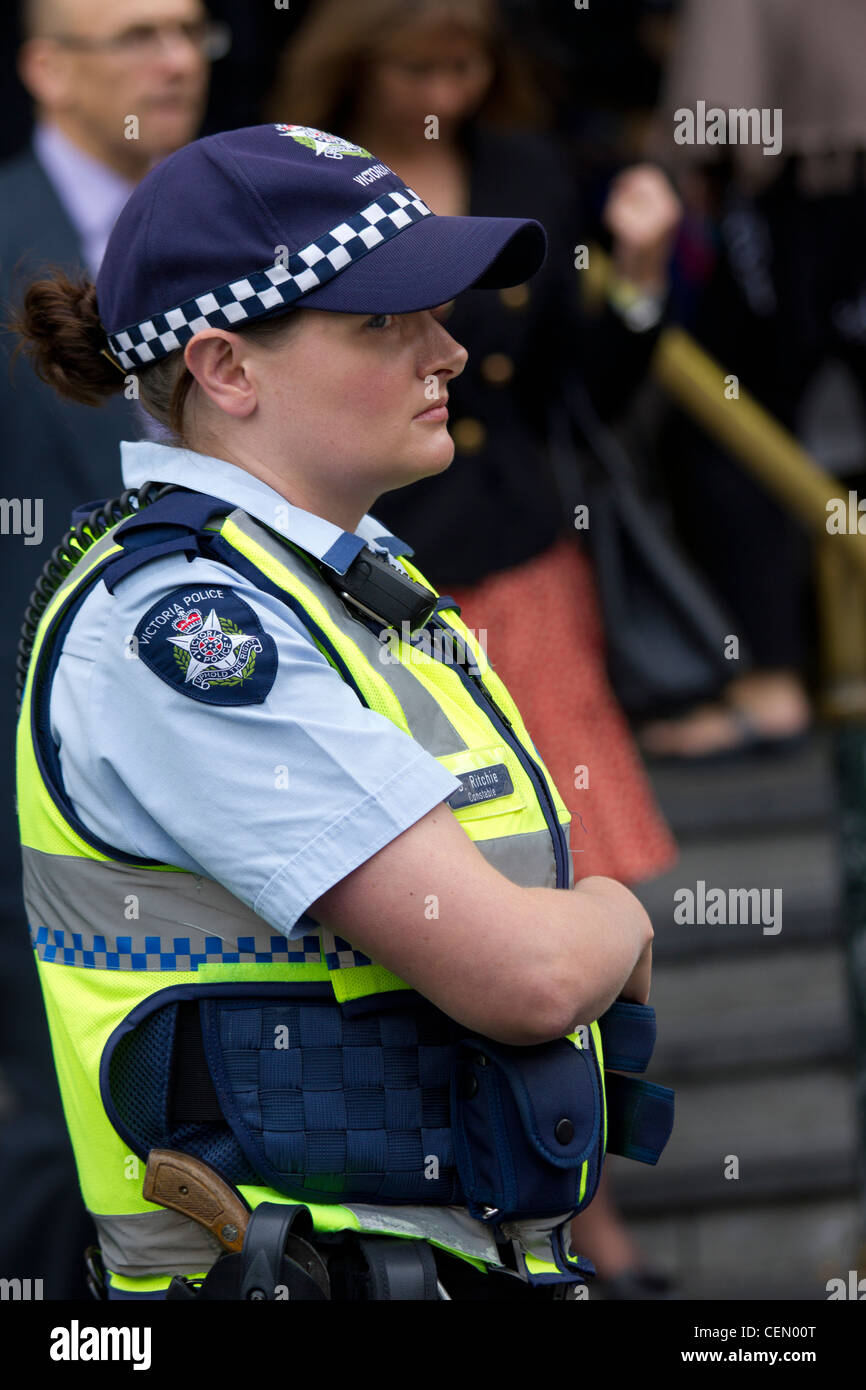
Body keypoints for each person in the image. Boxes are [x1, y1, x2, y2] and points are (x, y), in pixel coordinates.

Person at [11, 122, 670, 1300]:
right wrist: (614, 915)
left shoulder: (326, 573)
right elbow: (523, 972)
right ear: (225, 368)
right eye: (384, 322)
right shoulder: (191, 626)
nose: (450, 353)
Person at [266, 0, 681, 1293]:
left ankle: (576, 1225)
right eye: (419, 62)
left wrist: (645, 284)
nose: (449, 82)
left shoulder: (523, 173)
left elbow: (574, 384)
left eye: (468, 61)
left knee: (564, 856)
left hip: (513, 565)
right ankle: (572, 1235)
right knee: (495, 913)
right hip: (382, 564)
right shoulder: (302, 181)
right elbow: (520, 963)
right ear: (356, 66)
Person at [0, 0, 216, 1297]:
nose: (177, 59)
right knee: (75, 1140)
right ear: (44, 65)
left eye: (190, 29)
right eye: (136, 33)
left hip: (249, 761)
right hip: (41, 782)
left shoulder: (253, 222)